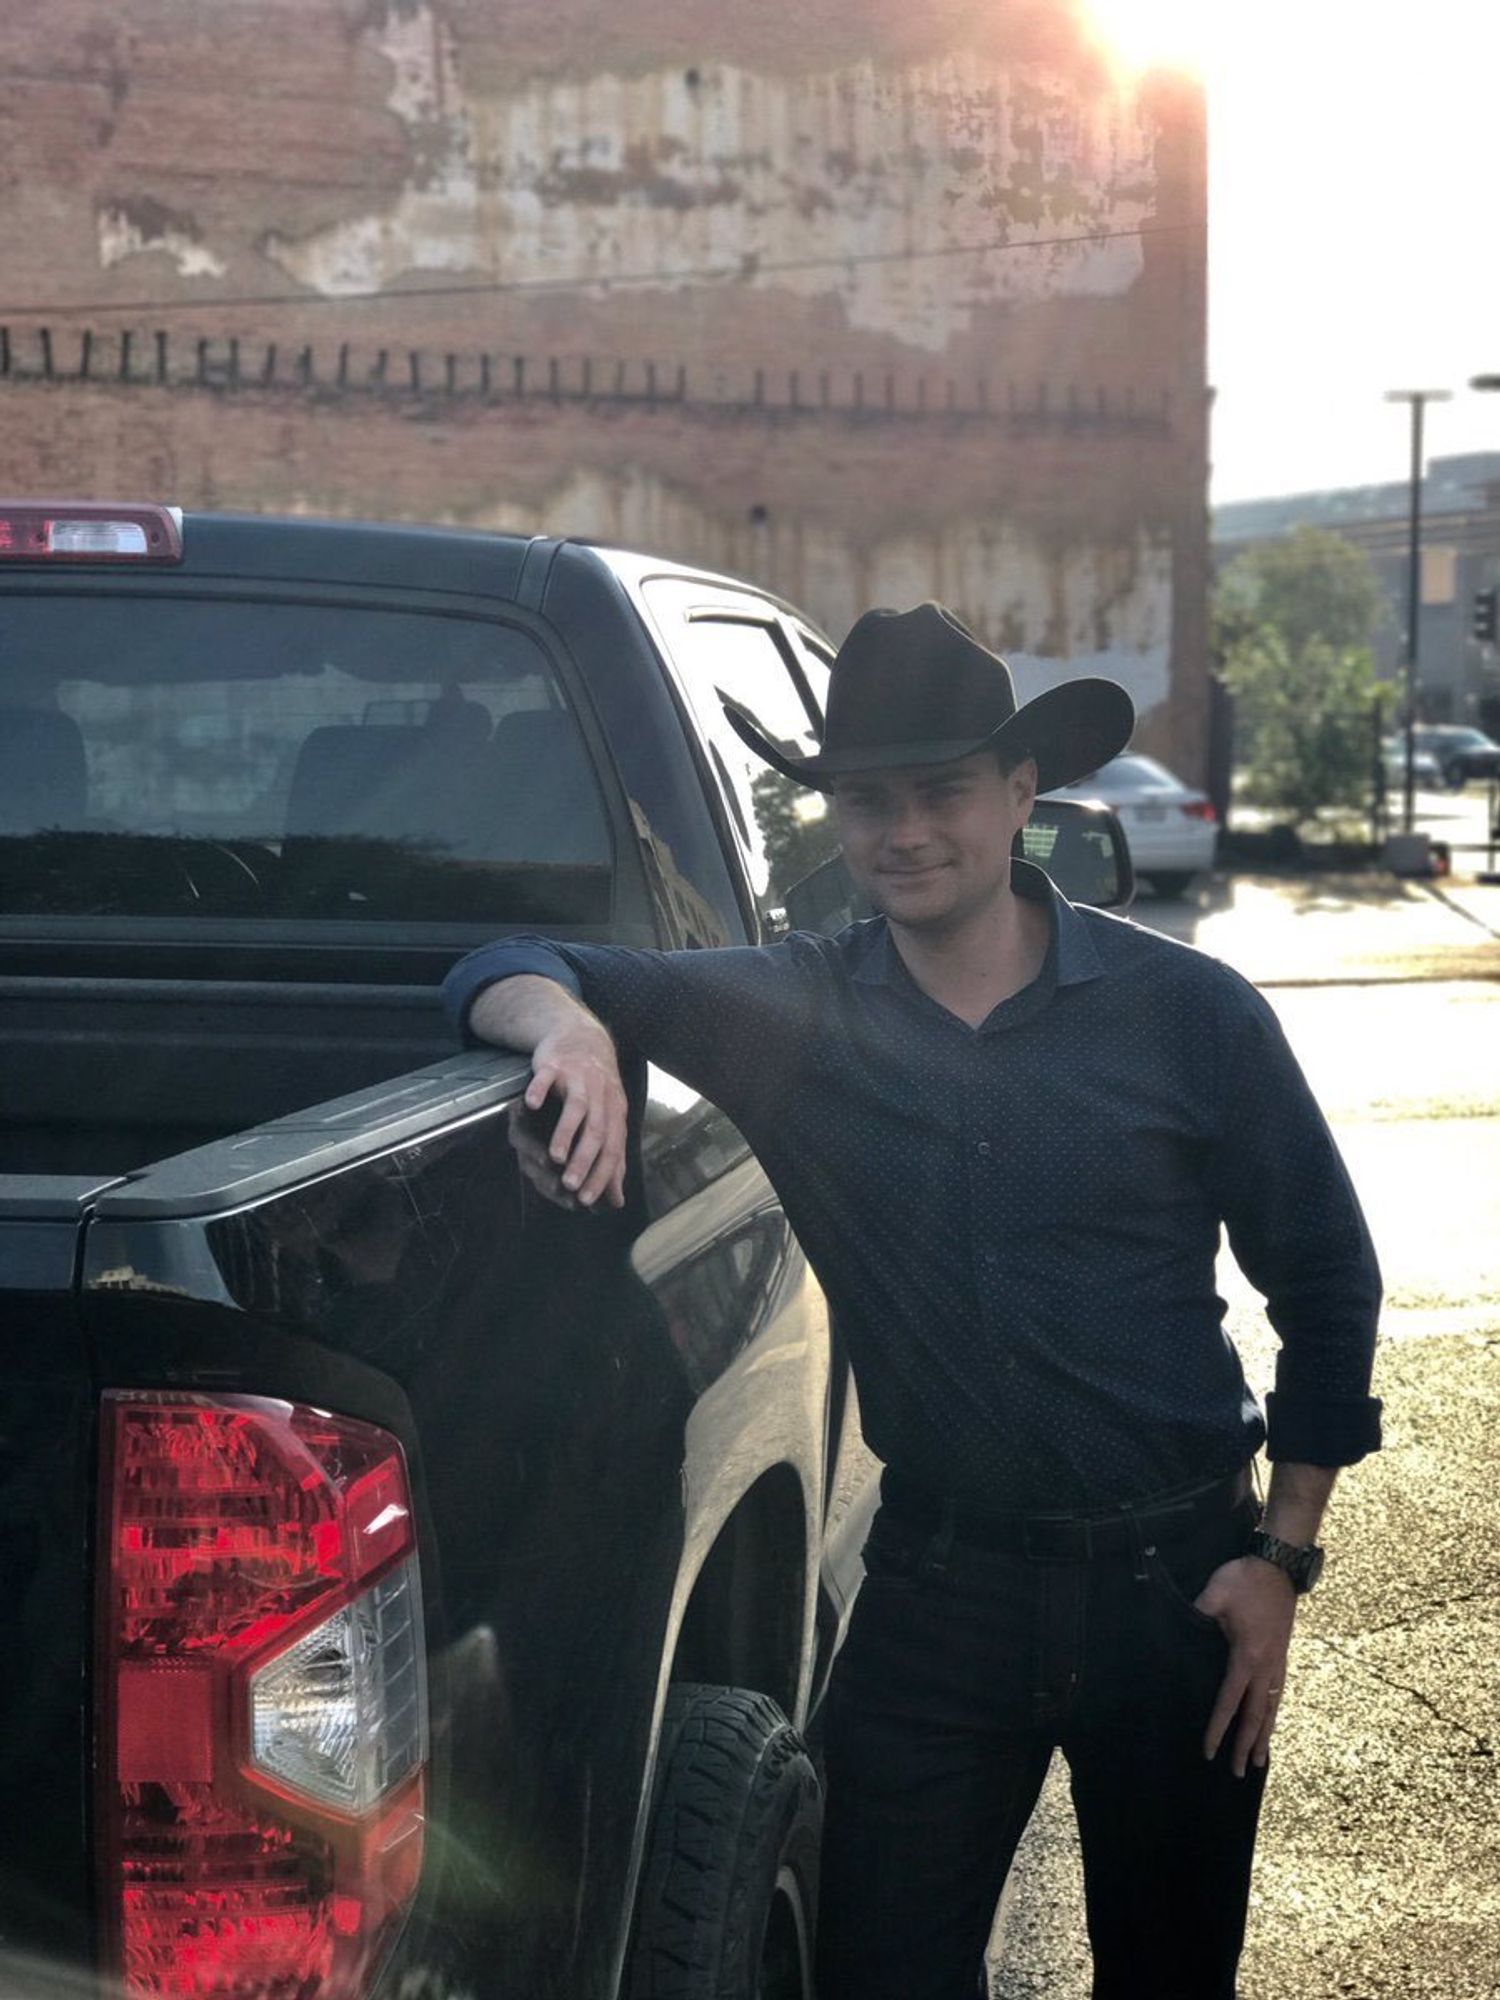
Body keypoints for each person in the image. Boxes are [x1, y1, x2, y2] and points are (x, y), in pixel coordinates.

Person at [442, 603, 1382, 2000]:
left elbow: (1327, 1278)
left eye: (941, 791)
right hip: (944, 1594)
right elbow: (504, 966)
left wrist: (1280, 1565)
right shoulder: (795, 1012)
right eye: (868, 800)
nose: (904, 831)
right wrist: (569, 1029)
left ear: (1020, 793)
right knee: (881, 1972)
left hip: (1174, 1588)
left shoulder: (1190, 1013)